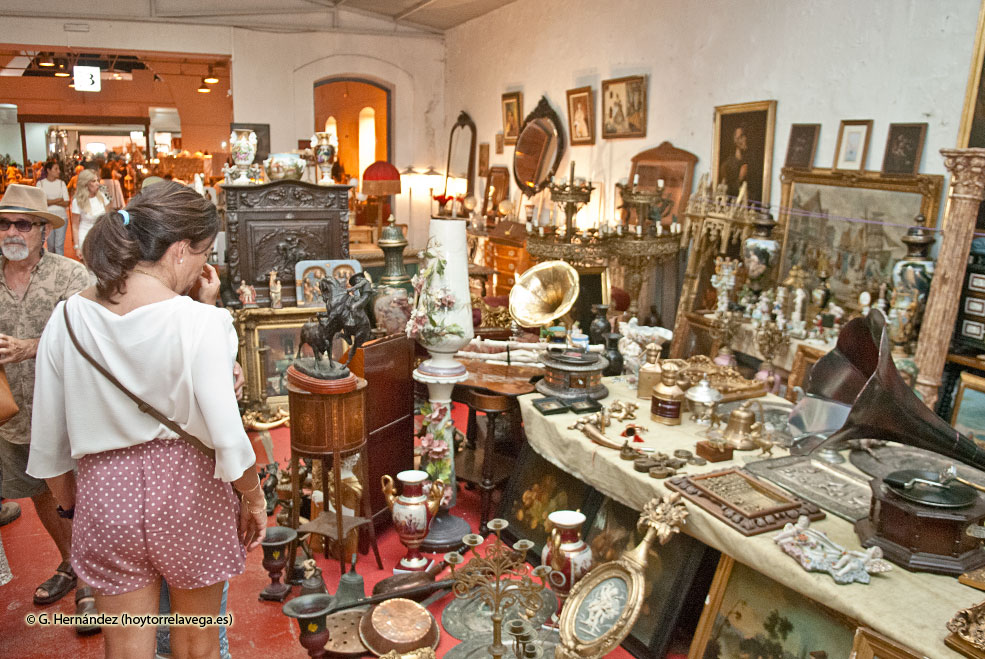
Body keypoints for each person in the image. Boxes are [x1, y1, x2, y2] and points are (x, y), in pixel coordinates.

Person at [27, 180, 265, 657]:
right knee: (196, 643)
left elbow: (49, 448)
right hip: (189, 496)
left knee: (127, 647)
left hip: (104, 496)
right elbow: (228, 437)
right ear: (180, 251)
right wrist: (253, 499)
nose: (202, 266)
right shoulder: (201, 322)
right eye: (203, 253)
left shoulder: (68, 317)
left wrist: (76, 509)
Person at [0, 184, 92, 625]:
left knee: (77, 492)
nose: (12, 231)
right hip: (9, 411)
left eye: (22, 223)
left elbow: (92, 336)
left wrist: (30, 347)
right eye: (4, 223)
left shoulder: (71, 276)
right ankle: (71, 562)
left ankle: (92, 581)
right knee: (37, 490)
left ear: (42, 231)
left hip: (67, 409)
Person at [70, 169, 113, 257]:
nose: (97, 183)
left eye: (98, 180)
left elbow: (109, 217)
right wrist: (77, 247)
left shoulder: (102, 196)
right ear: (86, 183)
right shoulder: (77, 201)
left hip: (102, 237)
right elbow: (75, 226)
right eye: (94, 181)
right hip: (86, 237)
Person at [36, 159, 70, 255]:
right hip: (47, 218)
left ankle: (60, 267)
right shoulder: (41, 184)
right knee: (50, 245)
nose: (58, 171)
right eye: (56, 169)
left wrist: (49, 202)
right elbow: (40, 202)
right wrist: (58, 200)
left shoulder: (61, 183)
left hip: (61, 217)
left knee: (59, 245)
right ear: (48, 170)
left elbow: (66, 202)